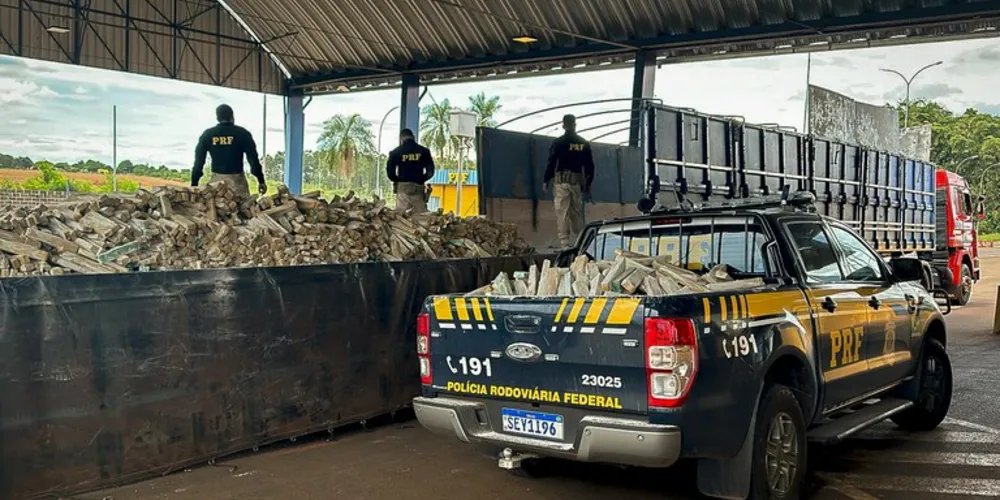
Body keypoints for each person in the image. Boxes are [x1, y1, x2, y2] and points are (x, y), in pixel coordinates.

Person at [542, 114, 595, 247]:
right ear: (575, 124)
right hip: (576, 183)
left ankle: (565, 243)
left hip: (561, 183)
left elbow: (551, 162)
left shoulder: (558, 142)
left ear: (563, 125)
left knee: (562, 212)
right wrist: (588, 184)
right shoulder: (583, 143)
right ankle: (579, 241)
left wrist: (546, 180)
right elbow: (589, 166)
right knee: (576, 212)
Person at [192, 104, 267, 196]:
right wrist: (261, 181)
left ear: (217, 118)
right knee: (243, 208)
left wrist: (194, 185)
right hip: (237, 183)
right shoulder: (243, 134)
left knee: (216, 208)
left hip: (217, 185)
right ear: (232, 116)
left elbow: (198, 163)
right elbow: (253, 160)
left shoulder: (208, 135)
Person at [386, 128, 435, 213]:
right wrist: (421, 179)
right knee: (419, 215)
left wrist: (398, 180)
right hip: (418, 187)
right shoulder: (424, 151)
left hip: (403, 187)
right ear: (413, 137)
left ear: (401, 139)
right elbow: (430, 171)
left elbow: (390, 172)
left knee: (401, 215)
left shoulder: (395, 152)